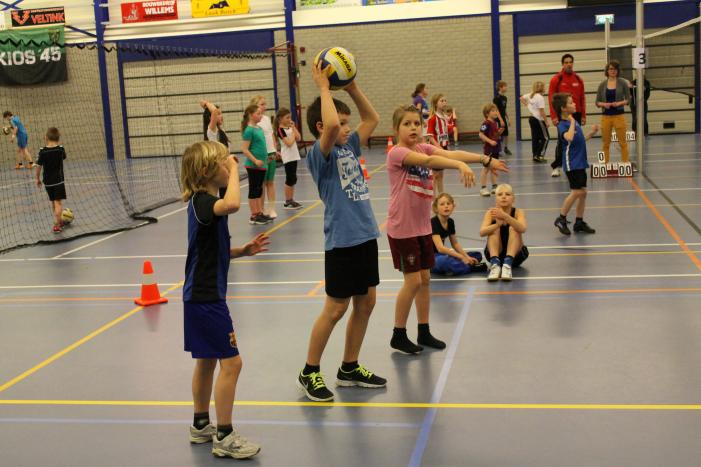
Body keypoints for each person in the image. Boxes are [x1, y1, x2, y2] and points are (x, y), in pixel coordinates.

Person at [297, 63, 386, 402]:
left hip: (365, 235)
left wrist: (351, 87)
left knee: (367, 303)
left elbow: (373, 118)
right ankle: (309, 371)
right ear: (321, 127)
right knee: (336, 308)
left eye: (348, 123)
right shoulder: (318, 155)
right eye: (342, 123)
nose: (347, 128)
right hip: (342, 241)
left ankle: (349, 367)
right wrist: (323, 87)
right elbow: (333, 125)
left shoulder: (350, 147)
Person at [388, 105, 508, 354]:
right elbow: (430, 162)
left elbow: (452, 153)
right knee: (412, 282)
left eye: (416, 123)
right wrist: (460, 167)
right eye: (407, 124)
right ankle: (398, 334)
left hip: (422, 227)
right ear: (396, 129)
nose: (413, 128)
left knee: (425, 280)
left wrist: (484, 159)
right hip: (403, 229)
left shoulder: (423, 147)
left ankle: (423, 331)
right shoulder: (397, 153)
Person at [180, 140, 269, 459]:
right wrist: (234, 168)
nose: (228, 165)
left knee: (206, 361)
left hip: (199, 296)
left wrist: (241, 251)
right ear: (206, 171)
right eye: (222, 162)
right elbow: (232, 204)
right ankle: (225, 436)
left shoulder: (203, 205)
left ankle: (201, 424)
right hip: (206, 299)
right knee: (232, 363)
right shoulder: (205, 202)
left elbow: (208, 250)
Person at [552, 93, 599, 236]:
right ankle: (561, 218)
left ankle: (579, 222)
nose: (574, 104)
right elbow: (569, 137)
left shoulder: (574, 122)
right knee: (577, 192)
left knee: (583, 193)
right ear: (563, 108)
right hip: (571, 164)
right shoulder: (562, 124)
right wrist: (572, 122)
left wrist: (591, 133)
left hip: (580, 163)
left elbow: (580, 139)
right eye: (571, 103)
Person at [479, 184, 529, 282]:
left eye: (507, 194)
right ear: (496, 199)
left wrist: (505, 216)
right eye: (500, 194)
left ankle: (507, 264)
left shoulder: (518, 212)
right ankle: (495, 265)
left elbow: (522, 229)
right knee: (494, 230)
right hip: (495, 253)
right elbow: (482, 232)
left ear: (513, 199)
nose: (504, 197)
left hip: (516, 256)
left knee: (514, 228)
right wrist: (497, 225)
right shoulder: (491, 213)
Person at [548, 54, 586, 177]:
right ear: (562, 64)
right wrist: (554, 116)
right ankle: (556, 166)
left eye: (570, 62)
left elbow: (582, 98)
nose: (569, 64)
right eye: (566, 62)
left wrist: (583, 115)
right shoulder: (556, 79)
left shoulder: (578, 79)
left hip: (576, 113)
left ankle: (574, 165)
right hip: (562, 115)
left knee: (576, 139)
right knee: (562, 141)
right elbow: (551, 98)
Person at [431, 192, 485, 276]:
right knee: (445, 262)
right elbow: (440, 248)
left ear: (453, 206)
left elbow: (455, 244)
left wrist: (466, 257)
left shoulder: (450, 222)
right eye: (442, 204)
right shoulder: (433, 222)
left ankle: (460, 264)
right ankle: (470, 267)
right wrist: (461, 257)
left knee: (477, 255)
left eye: (448, 203)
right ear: (436, 208)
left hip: (442, 255)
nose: (446, 206)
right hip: (431, 257)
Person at [241, 104, 271, 225]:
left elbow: (261, 145)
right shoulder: (249, 130)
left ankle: (259, 212)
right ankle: (254, 215)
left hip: (262, 165)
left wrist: (266, 157)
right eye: (258, 113)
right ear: (250, 115)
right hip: (253, 165)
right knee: (253, 189)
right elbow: (245, 149)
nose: (260, 116)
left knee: (259, 189)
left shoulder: (259, 128)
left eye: (261, 113)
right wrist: (255, 160)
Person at [596, 60, 631, 164]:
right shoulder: (602, 84)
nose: (613, 71)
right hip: (606, 117)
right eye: (611, 69)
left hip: (619, 116)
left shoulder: (623, 83)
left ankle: (625, 163)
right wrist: (604, 104)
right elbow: (597, 102)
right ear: (607, 70)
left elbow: (628, 99)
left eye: (615, 69)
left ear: (618, 71)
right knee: (605, 143)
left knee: (623, 142)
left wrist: (619, 103)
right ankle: (604, 164)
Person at [250, 95, 278, 219]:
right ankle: (261, 209)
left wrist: (275, 150)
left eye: (265, 104)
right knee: (261, 183)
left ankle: (271, 208)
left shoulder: (266, 119)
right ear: (255, 106)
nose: (264, 107)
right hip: (262, 155)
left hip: (271, 154)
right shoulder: (253, 122)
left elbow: (271, 135)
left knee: (270, 182)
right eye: (262, 104)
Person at [34, 127, 67, 234]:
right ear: (58, 138)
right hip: (58, 181)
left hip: (47, 182)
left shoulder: (42, 151)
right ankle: (57, 225)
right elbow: (63, 157)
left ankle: (59, 221)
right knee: (58, 203)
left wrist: (37, 179)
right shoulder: (61, 149)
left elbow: (38, 166)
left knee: (53, 202)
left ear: (46, 137)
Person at [273, 107, 303, 210]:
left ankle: (291, 199)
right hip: (288, 157)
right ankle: (288, 201)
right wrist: (293, 134)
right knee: (290, 178)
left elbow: (299, 138)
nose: (289, 119)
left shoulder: (290, 128)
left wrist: (294, 128)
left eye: (290, 117)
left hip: (294, 156)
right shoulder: (280, 130)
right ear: (280, 119)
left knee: (293, 178)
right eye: (287, 117)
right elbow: (289, 143)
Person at [426, 94, 450, 195]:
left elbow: (445, 134)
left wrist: (446, 146)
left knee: (441, 175)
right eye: (441, 101)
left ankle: (441, 195)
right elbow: (430, 136)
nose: (444, 103)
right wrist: (438, 147)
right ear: (436, 104)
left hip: (443, 148)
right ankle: (433, 198)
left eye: (445, 100)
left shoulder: (445, 117)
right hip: (436, 149)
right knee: (435, 175)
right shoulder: (433, 118)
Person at [520, 81, 549, 163]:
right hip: (538, 119)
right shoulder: (540, 97)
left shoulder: (530, 95)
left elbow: (521, 98)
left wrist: (527, 105)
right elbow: (542, 111)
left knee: (535, 138)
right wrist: (546, 121)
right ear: (541, 88)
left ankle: (535, 155)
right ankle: (539, 155)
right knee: (546, 138)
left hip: (532, 118)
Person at [478, 103, 503, 197]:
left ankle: (494, 186)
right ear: (487, 113)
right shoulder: (486, 123)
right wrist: (490, 141)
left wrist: (499, 133)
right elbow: (481, 134)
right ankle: (483, 188)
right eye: (493, 111)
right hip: (489, 150)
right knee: (486, 168)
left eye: (496, 110)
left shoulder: (495, 123)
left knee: (494, 168)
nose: (495, 112)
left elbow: (494, 135)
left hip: (496, 149)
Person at [493, 80, 512, 156]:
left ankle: (506, 148)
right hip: (498, 119)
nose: (506, 88)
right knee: (498, 134)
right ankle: (497, 149)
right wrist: (500, 120)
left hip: (503, 118)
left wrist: (508, 119)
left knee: (506, 134)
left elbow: (504, 109)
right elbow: (496, 110)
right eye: (505, 86)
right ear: (500, 88)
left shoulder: (505, 98)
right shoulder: (496, 98)